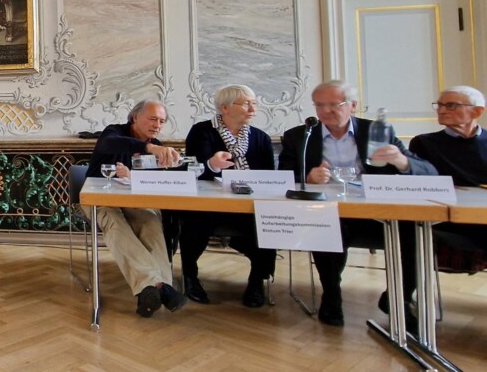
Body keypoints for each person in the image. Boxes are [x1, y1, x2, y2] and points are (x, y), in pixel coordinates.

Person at [278, 80, 436, 327]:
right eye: (320, 105)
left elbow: (428, 172)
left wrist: (402, 162)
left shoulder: (377, 131)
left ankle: (399, 298)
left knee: (414, 231)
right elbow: (284, 177)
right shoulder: (300, 136)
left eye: (334, 104)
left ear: (353, 106)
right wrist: (307, 178)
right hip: (330, 213)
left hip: (377, 214)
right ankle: (331, 295)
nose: (326, 111)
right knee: (327, 224)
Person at [86, 99, 187, 317]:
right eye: (153, 119)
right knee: (115, 223)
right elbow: (109, 145)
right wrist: (149, 147)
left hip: (132, 200)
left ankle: (156, 288)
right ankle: (158, 286)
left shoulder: (156, 145)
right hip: (97, 198)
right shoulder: (113, 132)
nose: (157, 125)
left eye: (162, 121)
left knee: (150, 221)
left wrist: (142, 174)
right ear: (135, 118)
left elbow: (152, 182)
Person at [182, 84, 276, 308]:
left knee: (268, 222)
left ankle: (257, 281)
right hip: (209, 204)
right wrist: (212, 165)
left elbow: (271, 177)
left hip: (248, 204)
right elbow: (191, 172)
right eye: (246, 103)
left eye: (254, 102)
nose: (253, 108)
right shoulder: (202, 132)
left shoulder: (260, 138)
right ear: (225, 107)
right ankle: (190, 277)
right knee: (195, 222)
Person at [409, 86, 487, 261]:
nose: (442, 110)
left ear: (477, 112)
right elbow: (421, 185)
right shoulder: (423, 143)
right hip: (442, 217)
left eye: (451, 105)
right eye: (439, 105)